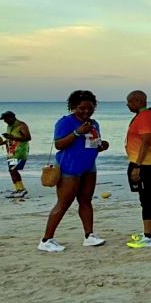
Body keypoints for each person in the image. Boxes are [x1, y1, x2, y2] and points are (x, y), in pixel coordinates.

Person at [39, 90, 112, 253]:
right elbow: (59, 144)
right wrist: (77, 132)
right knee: (63, 203)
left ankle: (89, 235)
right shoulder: (65, 122)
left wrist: (102, 145)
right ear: (73, 107)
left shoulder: (94, 124)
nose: (86, 111)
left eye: (90, 108)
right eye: (82, 108)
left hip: (89, 166)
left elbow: (92, 144)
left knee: (86, 201)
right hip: (69, 168)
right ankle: (46, 239)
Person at [124, 90, 151, 248]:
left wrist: (137, 166)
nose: (128, 105)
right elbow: (147, 137)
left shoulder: (145, 117)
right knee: (143, 197)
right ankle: (148, 231)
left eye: (129, 102)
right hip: (141, 161)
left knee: (146, 198)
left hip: (144, 164)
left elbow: (145, 142)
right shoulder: (143, 116)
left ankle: (148, 236)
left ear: (138, 101)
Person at [0, 111, 31, 198]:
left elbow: (28, 137)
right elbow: (11, 139)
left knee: (13, 170)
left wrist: (11, 137)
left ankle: (22, 189)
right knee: (11, 170)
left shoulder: (22, 125)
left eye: (6, 119)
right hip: (11, 152)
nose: (4, 121)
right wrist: (2, 142)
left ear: (12, 117)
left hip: (19, 151)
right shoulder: (9, 126)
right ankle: (18, 189)